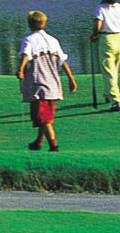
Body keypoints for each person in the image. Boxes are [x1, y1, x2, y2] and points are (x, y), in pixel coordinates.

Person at [17, 11, 76, 151]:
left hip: (38, 85)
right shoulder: (53, 40)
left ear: (30, 24)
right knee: (46, 117)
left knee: (43, 119)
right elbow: (63, 62)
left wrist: (20, 69)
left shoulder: (29, 40)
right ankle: (37, 143)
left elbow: (26, 55)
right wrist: (71, 79)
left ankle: (53, 146)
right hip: (53, 85)